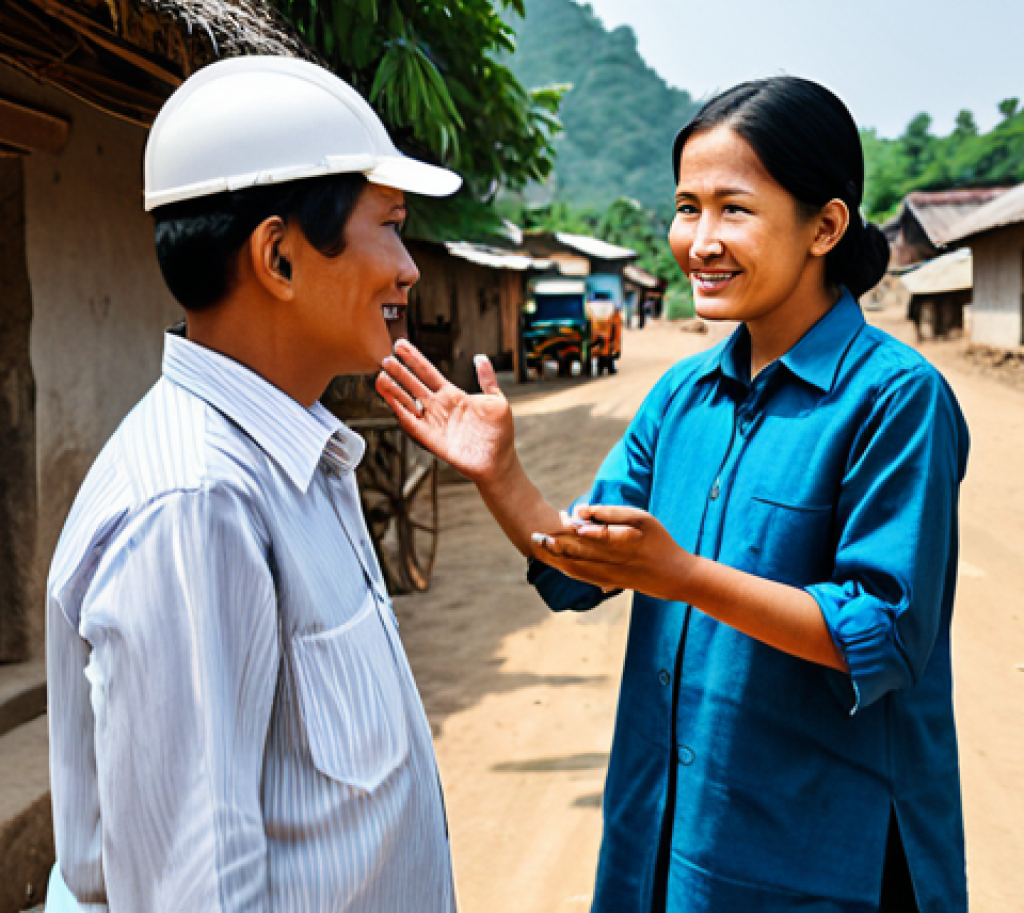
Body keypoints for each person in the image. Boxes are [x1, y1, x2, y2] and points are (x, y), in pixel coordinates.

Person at [378, 77, 968, 912]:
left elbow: (885, 633)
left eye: (735, 209)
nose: (700, 240)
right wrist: (500, 474)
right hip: (663, 841)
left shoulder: (895, 399)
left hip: (821, 862)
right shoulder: (682, 398)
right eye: (687, 207)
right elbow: (583, 562)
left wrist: (684, 577)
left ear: (825, 227)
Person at [45, 56, 461, 912]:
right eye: (390, 227)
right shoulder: (198, 504)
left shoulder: (295, 461)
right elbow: (194, 889)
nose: (408, 268)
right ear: (279, 257)